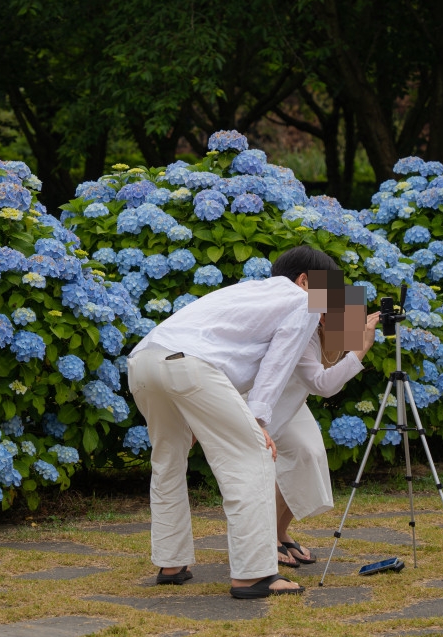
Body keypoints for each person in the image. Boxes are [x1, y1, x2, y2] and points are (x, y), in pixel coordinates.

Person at [126, 245, 340, 599]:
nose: (330, 301)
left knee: (167, 463)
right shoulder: (303, 301)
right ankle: (254, 575)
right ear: (305, 281)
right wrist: (258, 421)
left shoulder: (249, 292)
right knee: (253, 456)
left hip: (144, 360)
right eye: (329, 289)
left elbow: (224, 353)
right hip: (189, 365)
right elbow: (277, 365)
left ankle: (171, 563)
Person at [271, 291, 380, 568]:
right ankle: (265, 537)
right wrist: (362, 346)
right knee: (297, 457)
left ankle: (280, 532)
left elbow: (330, 372)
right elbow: (323, 386)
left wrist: (355, 331)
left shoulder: (332, 321)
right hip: (268, 398)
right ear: (322, 317)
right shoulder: (304, 331)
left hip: (293, 399)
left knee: (311, 455)